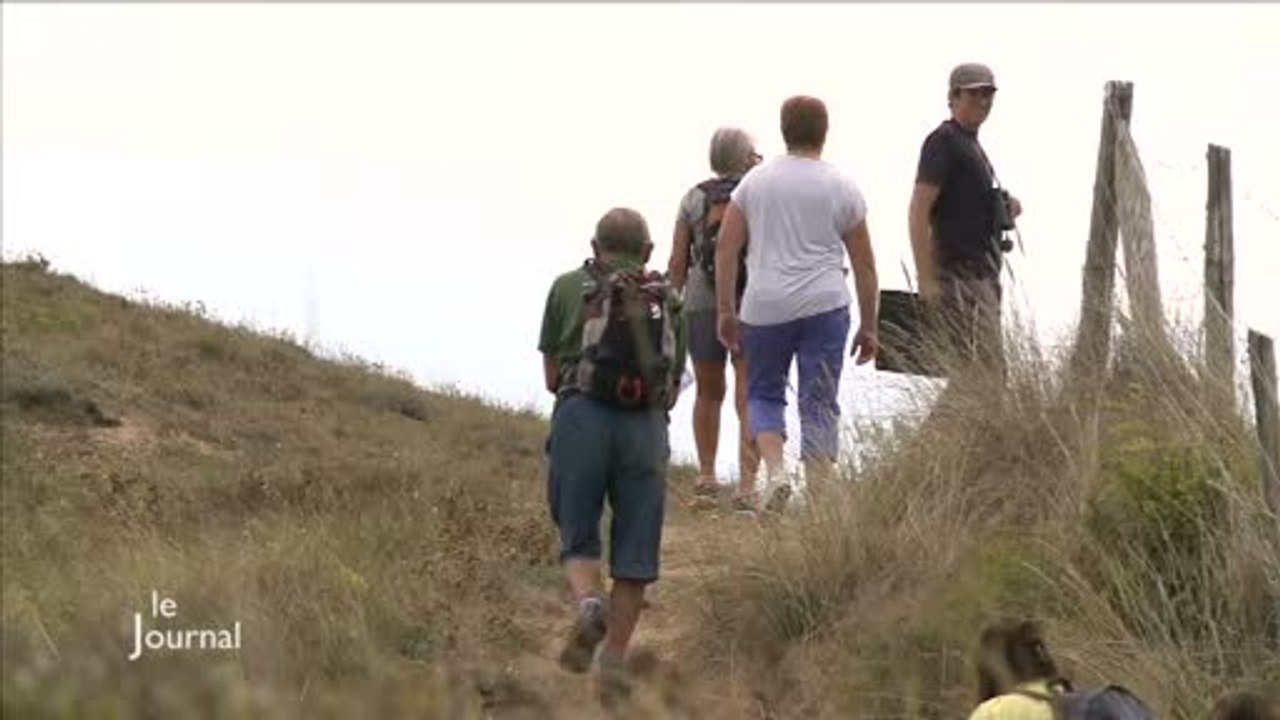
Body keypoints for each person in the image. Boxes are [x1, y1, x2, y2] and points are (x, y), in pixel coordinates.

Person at [537, 207, 688, 706]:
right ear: (648, 252)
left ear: (594, 246)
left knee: (577, 530)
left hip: (582, 416)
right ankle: (615, 661)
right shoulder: (670, 301)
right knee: (636, 548)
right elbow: (672, 389)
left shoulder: (567, 287)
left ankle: (588, 602)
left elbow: (552, 378)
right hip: (645, 426)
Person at [714, 95, 879, 511]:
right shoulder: (843, 186)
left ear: (784, 130)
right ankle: (820, 497)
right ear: (825, 132)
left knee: (763, 392)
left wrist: (726, 310)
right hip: (825, 303)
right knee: (819, 399)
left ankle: (775, 473)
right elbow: (864, 264)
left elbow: (726, 249)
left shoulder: (754, 183)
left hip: (764, 306)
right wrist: (870, 324)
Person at [667, 127, 763, 510]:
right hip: (751, 301)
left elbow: (678, 261)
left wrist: (670, 304)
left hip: (701, 303)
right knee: (748, 391)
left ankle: (706, 478)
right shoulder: (758, 192)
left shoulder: (693, 198)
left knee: (708, 392)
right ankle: (747, 485)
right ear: (746, 156)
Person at [908, 62, 1022, 382]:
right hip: (959, 278)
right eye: (974, 94)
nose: (983, 101)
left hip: (982, 276)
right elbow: (918, 210)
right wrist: (926, 279)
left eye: (988, 94)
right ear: (954, 96)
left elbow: (959, 204)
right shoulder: (943, 140)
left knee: (979, 379)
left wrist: (1002, 208)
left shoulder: (970, 144)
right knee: (984, 378)